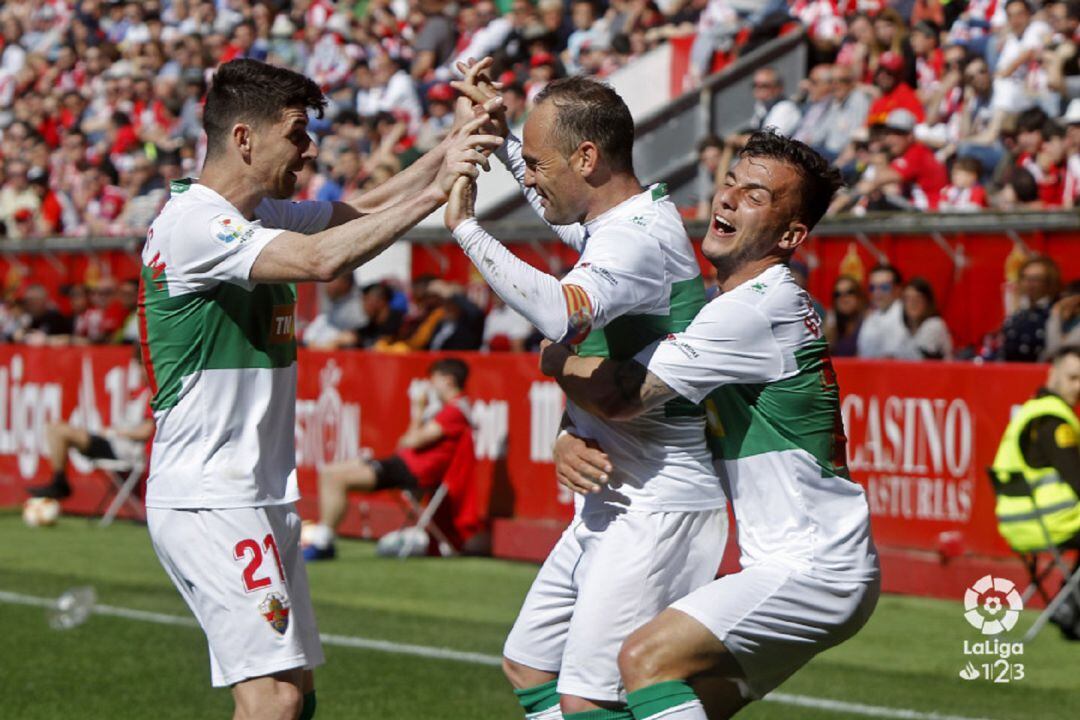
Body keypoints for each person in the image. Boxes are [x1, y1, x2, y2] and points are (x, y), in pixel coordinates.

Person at [138, 58, 499, 720]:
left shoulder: (257, 214)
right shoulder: (195, 222)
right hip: (211, 498)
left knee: (296, 697)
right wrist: (439, 188)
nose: (310, 149)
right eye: (298, 133)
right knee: (272, 701)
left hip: (257, 493)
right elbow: (322, 259)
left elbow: (361, 211)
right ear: (244, 138)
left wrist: (457, 142)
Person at [540, 130, 879, 719]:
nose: (726, 199)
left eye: (754, 196)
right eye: (729, 183)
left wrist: (554, 359)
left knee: (644, 659)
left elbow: (625, 398)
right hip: (805, 563)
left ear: (791, 235)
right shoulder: (738, 306)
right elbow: (656, 412)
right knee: (654, 701)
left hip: (812, 566)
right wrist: (572, 432)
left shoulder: (752, 309)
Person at [448, 63, 727, 718]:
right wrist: (505, 129)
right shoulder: (620, 220)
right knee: (528, 665)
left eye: (541, 164)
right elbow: (559, 213)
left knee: (591, 698)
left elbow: (560, 315)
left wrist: (465, 227)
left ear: (588, 156)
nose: (531, 179)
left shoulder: (636, 241)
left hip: (658, 500)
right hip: (615, 488)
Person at [990, 346, 1080, 637]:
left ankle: (1070, 603)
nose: (1077, 387)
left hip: (1017, 523)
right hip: (1049, 523)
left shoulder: (1030, 411)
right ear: (1052, 373)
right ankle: (1069, 604)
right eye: (1072, 378)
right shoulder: (1054, 422)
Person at [28, 351, 153, 499]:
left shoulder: (151, 395)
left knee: (58, 430)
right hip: (113, 443)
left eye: (142, 366)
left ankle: (59, 483)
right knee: (54, 428)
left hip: (123, 449)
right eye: (138, 365)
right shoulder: (139, 392)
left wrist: (114, 433)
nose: (139, 371)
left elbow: (146, 431)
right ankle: (59, 481)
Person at [857, 264, 907, 358]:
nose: (877, 292)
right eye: (872, 288)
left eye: (884, 287)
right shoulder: (871, 316)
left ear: (898, 289)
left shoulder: (907, 314)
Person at [896, 277, 953, 360]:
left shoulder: (934, 325)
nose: (912, 303)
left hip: (938, 372)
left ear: (927, 302)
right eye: (908, 299)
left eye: (917, 298)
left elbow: (919, 361)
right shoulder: (905, 329)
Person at [824, 274, 866, 357]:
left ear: (859, 296)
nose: (843, 298)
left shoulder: (868, 322)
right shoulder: (832, 324)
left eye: (849, 292)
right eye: (838, 294)